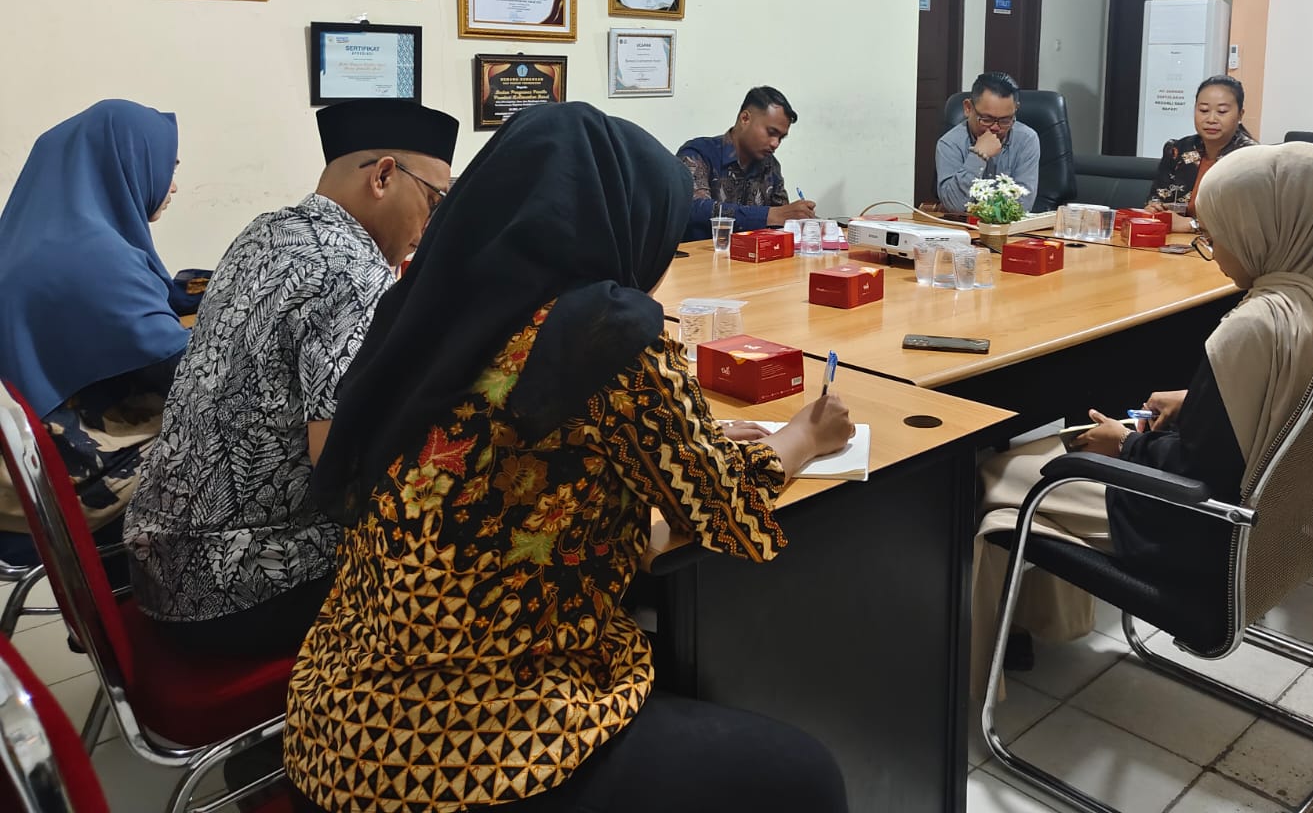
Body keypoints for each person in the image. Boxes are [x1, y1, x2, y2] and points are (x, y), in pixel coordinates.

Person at [284, 103, 851, 812]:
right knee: (806, 777)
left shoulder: (427, 310)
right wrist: (803, 437)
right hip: (454, 754)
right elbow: (727, 518)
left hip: (332, 724)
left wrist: (671, 454)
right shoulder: (602, 336)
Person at [972, 143, 1313, 689]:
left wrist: (1124, 443)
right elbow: (1291, 404)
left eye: (1219, 235)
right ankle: (1046, 624)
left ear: (1268, 227)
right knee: (1052, 454)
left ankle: (977, 674)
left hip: (1201, 529)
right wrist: (1200, 400)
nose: (1214, 251)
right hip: (1282, 521)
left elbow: (1200, 477)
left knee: (994, 474)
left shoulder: (1257, 325)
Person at [123, 99, 458, 658]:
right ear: (383, 177)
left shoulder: (266, 231)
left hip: (161, 561)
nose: (430, 228)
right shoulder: (353, 272)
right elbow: (344, 469)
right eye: (434, 200)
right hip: (233, 591)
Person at [0, 101, 197, 566]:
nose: (173, 185)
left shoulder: (33, 236)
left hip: (22, 462)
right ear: (125, 163)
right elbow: (187, 375)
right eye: (167, 167)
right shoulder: (94, 257)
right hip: (58, 480)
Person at [676, 86, 814, 239]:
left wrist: (799, 217)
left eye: (781, 138)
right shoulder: (698, 153)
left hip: (754, 258)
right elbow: (695, 209)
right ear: (745, 119)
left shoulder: (770, 165)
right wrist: (768, 215)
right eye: (771, 133)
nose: (775, 143)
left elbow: (782, 218)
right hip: (700, 258)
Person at [1147, 75, 1257, 214]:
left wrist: (1192, 226)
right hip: (1173, 235)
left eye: (1222, 112)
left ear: (1240, 115)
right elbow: (1156, 199)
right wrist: (1153, 209)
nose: (1211, 119)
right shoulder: (1177, 150)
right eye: (1204, 110)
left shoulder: (1252, 158)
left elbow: (1249, 219)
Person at [935, 72, 1041, 216]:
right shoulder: (949, 143)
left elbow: (1022, 204)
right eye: (986, 119)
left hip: (1012, 231)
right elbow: (955, 205)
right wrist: (978, 156)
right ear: (968, 108)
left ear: (1015, 109)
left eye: (1005, 120)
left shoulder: (1027, 140)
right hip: (965, 231)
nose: (996, 128)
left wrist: (978, 209)